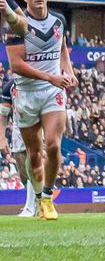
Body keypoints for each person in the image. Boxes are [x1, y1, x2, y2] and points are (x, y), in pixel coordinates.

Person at [6, 0, 78, 220]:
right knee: (34, 154)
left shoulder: (59, 20)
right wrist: (51, 77)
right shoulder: (17, 25)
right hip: (27, 93)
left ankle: (47, 196)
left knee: (54, 145)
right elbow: (16, 65)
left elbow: (62, 49)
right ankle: (36, 198)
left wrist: (68, 72)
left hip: (52, 93)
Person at [0, 79, 38, 217]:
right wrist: (2, 138)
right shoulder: (9, 87)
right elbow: (3, 115)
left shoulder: (38, 82)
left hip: (37, 126)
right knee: (22, 170)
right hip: (18, 128)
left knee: (34, 163)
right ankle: (37, 202)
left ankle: (31, 206)